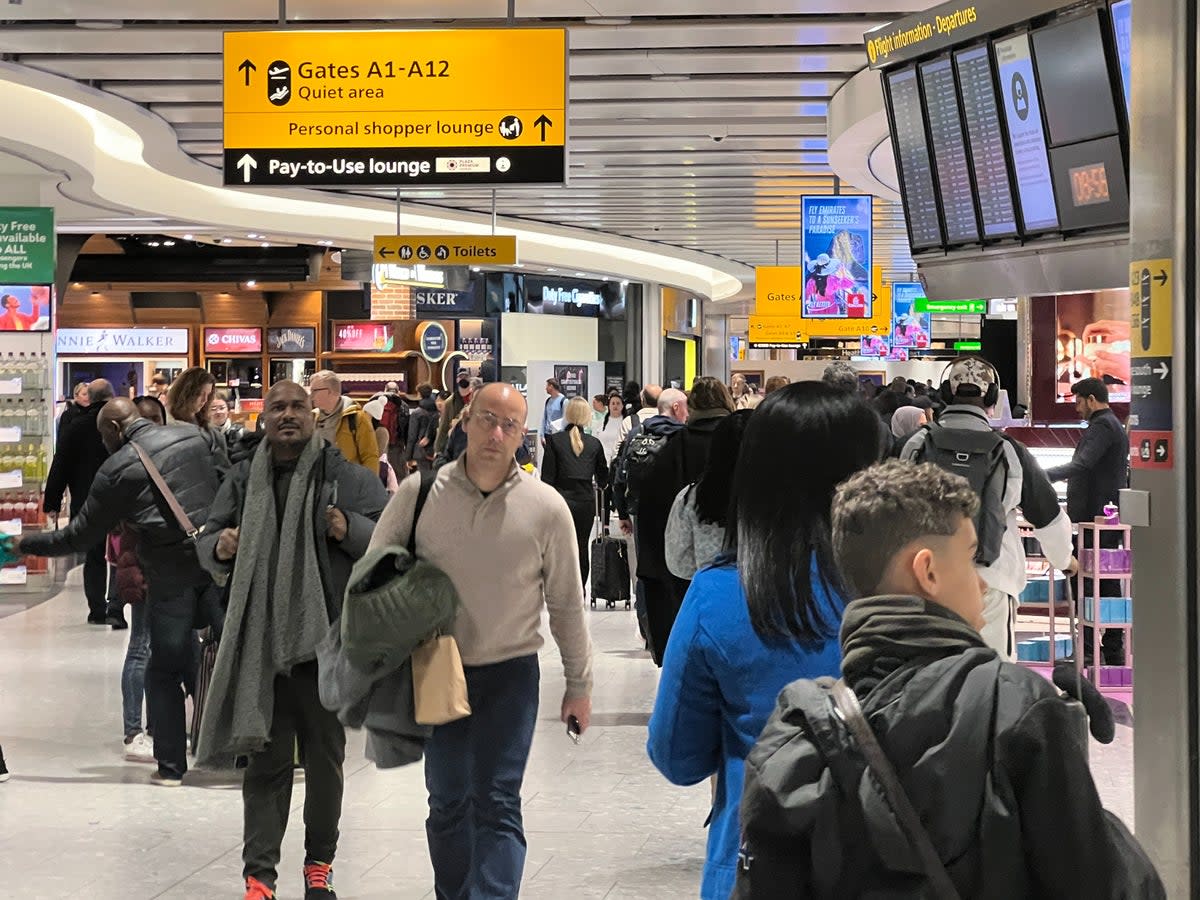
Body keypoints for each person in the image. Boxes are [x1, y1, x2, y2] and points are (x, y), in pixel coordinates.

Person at [734, 460, 1164, 899]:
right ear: (928, 571)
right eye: (970, 556)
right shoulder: (1014, 709)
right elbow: (1106, 886)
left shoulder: (794, 733)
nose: (980, 585)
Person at [647, 382, 884, 899]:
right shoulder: (902, 585)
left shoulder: (718, 594)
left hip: (753, 862)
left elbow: (676, 755)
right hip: (887, 859)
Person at [368, 382, 593, 900]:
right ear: (466, 421)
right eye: (487, 419)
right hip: (436, 668)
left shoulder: (546, 508)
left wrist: (578, 684)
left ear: (523, 435)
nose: (496, 433)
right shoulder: (419, 493)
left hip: (510, 674)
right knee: (446, 801)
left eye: (509, 425)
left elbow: (565, 604)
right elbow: (374, 571)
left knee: (497, 801)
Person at [196, 380, 388, 900]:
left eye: (296, 407)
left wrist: (348, 528)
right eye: (276, 407)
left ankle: (319, 863)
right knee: (266, 759)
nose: (286, 415)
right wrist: (221, 544)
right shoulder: (241, 480)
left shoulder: (346, 477)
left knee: (326, 762)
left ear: (313, 414)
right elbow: (206, 538)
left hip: (327, 645)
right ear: (264, 419)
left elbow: (389, 540)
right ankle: (259, 875)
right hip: (262, 645)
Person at [19, 398, 224, 787]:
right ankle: (246, 751)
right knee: (231, 656)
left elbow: (80, 535)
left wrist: (29, 545)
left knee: (162, 668)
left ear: (113, 430)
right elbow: (231, 487)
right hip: (216, 564)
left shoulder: (115, 469)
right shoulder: (194, 437)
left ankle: (171, 767)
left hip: (169, 577)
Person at [902, 357, 1075, 658]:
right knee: (992, 679)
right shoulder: (1008, 450)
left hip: (924, 579)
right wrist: (1065, 561)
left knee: (928, 674)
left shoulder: (915, 443)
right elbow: (1048, 517)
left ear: (944, 392)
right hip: (991, 581)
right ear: (992, 397)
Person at [634, 377, 734, 665]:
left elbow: (653, 510)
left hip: (684, 573)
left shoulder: (674, 448)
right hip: (740, 573)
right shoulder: (742, 442)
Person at [1046, 377, 1132, 665]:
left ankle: (1091, 649)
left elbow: (1083, 464)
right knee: (1104, 582)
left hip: (1094, 519)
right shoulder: (1110, 425)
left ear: (1092, 399)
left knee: (1087, 583)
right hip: (1102, 517)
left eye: (1079, 401)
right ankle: (1109, 649)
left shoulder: (1102, 427)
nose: (1077, 408)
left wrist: (1042, 476)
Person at [43, 378, 114, 626]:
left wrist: (52, 501)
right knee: (120, 552)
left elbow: (60, 465)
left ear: (90, 398)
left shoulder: (76, 426)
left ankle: (97, 609)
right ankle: (115, 606)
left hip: (86, 500)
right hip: (121, 500)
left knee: (93, 556)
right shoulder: (121, 426)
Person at [665, 410, 752, 581]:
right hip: (769, 600)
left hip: (713, 595)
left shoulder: (691, 498)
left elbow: (679, 563)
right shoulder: (781, 499)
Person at [542, 396, 610, 592]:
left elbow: (547, 478)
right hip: (585, 503)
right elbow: (603, 477)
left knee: (560, 547)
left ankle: (559, 587)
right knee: (581, 546)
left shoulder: (554, 441)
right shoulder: (594, 444)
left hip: (560, 502)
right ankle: (579, 589)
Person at [308, 370, 377, 472]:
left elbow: (370, 457)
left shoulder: (357, 418)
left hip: (348, 484)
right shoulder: (311, 418)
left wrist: (367, 486)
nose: (311, 396)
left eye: (315, 391)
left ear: (330, 392)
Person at [166, 366, 231, 474]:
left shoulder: (211, 432)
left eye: (208, 395)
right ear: (185, 393)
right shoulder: (163, 424)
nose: (205, 400)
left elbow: (223, 471)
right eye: (200, 394)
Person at [435, 373, 480, 456]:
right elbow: (443, 427)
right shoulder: (450, 402)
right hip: (457, 445)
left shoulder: (479, 402)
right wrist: (438, 450)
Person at [406, 383, 440, 472]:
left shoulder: (417, 413)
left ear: (420, 394)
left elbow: (412, 436)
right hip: (436, 448)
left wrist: (408, 457)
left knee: (424, 478)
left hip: (421, 450)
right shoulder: (438, 409)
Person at [595, 392, 626, 463]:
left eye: (618, 403)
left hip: (619, 462)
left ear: (622, 406)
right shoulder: (601, 422)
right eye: (613, 403)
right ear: (608, 406)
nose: (615, 406)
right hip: (603, 461)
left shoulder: (626, 422)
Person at [540, 377, 566, 443]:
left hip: (558, 436)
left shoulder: (564, 401)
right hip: (547, 435)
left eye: (547, 386)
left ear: (551, 386)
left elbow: (566, 420)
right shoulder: (548, 401)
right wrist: (542, 435)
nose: (545, 388)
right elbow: (544, 418)